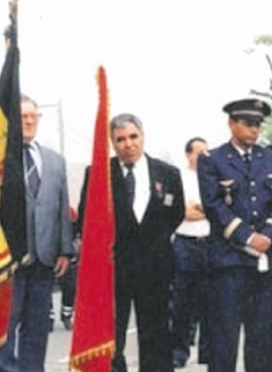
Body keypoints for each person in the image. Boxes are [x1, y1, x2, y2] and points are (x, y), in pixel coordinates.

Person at [78, 113, 184, 372]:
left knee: (156, 335)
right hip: (114, 268)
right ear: (113, 143)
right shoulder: (98, 174)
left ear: (143, 136)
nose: (129, 144)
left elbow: (176, 213)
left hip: (155, 268)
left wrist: (152, 244)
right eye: (121, 139)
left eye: (133, 137)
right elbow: (86, 218)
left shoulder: (167, 173)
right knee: (113, 336)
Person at [197, 98, 272, 372]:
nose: (254, 130)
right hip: (229, 261)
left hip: (265, 260)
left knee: (261, 337)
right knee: (224, 337)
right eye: (248, 123)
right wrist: (248, 237)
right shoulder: (211, 160)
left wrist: (269, 236)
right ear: (232, 124)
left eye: (258, 124)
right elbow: (213, 205)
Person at [0, 95, 74, 372]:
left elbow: (60, 208)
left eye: (33, 116)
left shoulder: (55, 161)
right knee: (5, 326)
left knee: (37, 327)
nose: (29, 122)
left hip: (44, 259)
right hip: (9, 262)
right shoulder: (1, 160)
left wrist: (65, 250)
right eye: (22, 117)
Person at [171, 137, 211, 368]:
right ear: (188, 154)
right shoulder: (179, 178)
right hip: (185, 243)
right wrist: (195, 210)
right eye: (199, 152)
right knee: (182, 302)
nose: (204, 157)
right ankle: (179, 351)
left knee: (209, 301)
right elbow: (180, 211)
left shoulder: (212, 177)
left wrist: (200, 209)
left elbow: (214, 209)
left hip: (209, 243)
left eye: (207, 152)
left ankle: (207, 351)